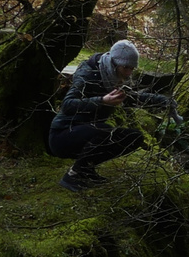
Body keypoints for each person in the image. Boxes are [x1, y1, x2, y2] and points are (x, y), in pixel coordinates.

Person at [48, 39, 174, 192]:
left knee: (133, 137)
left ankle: (87, 169)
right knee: (104, 131)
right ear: (114, 63)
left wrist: (163, 101)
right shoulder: (88, 73)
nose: (128, 73)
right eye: (126, 67)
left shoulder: (113, 79)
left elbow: (131, 98)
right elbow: (67, 105)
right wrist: (102, 101)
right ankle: (72, 175)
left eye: (132, 68)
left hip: (89, 133)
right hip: (63, 135)